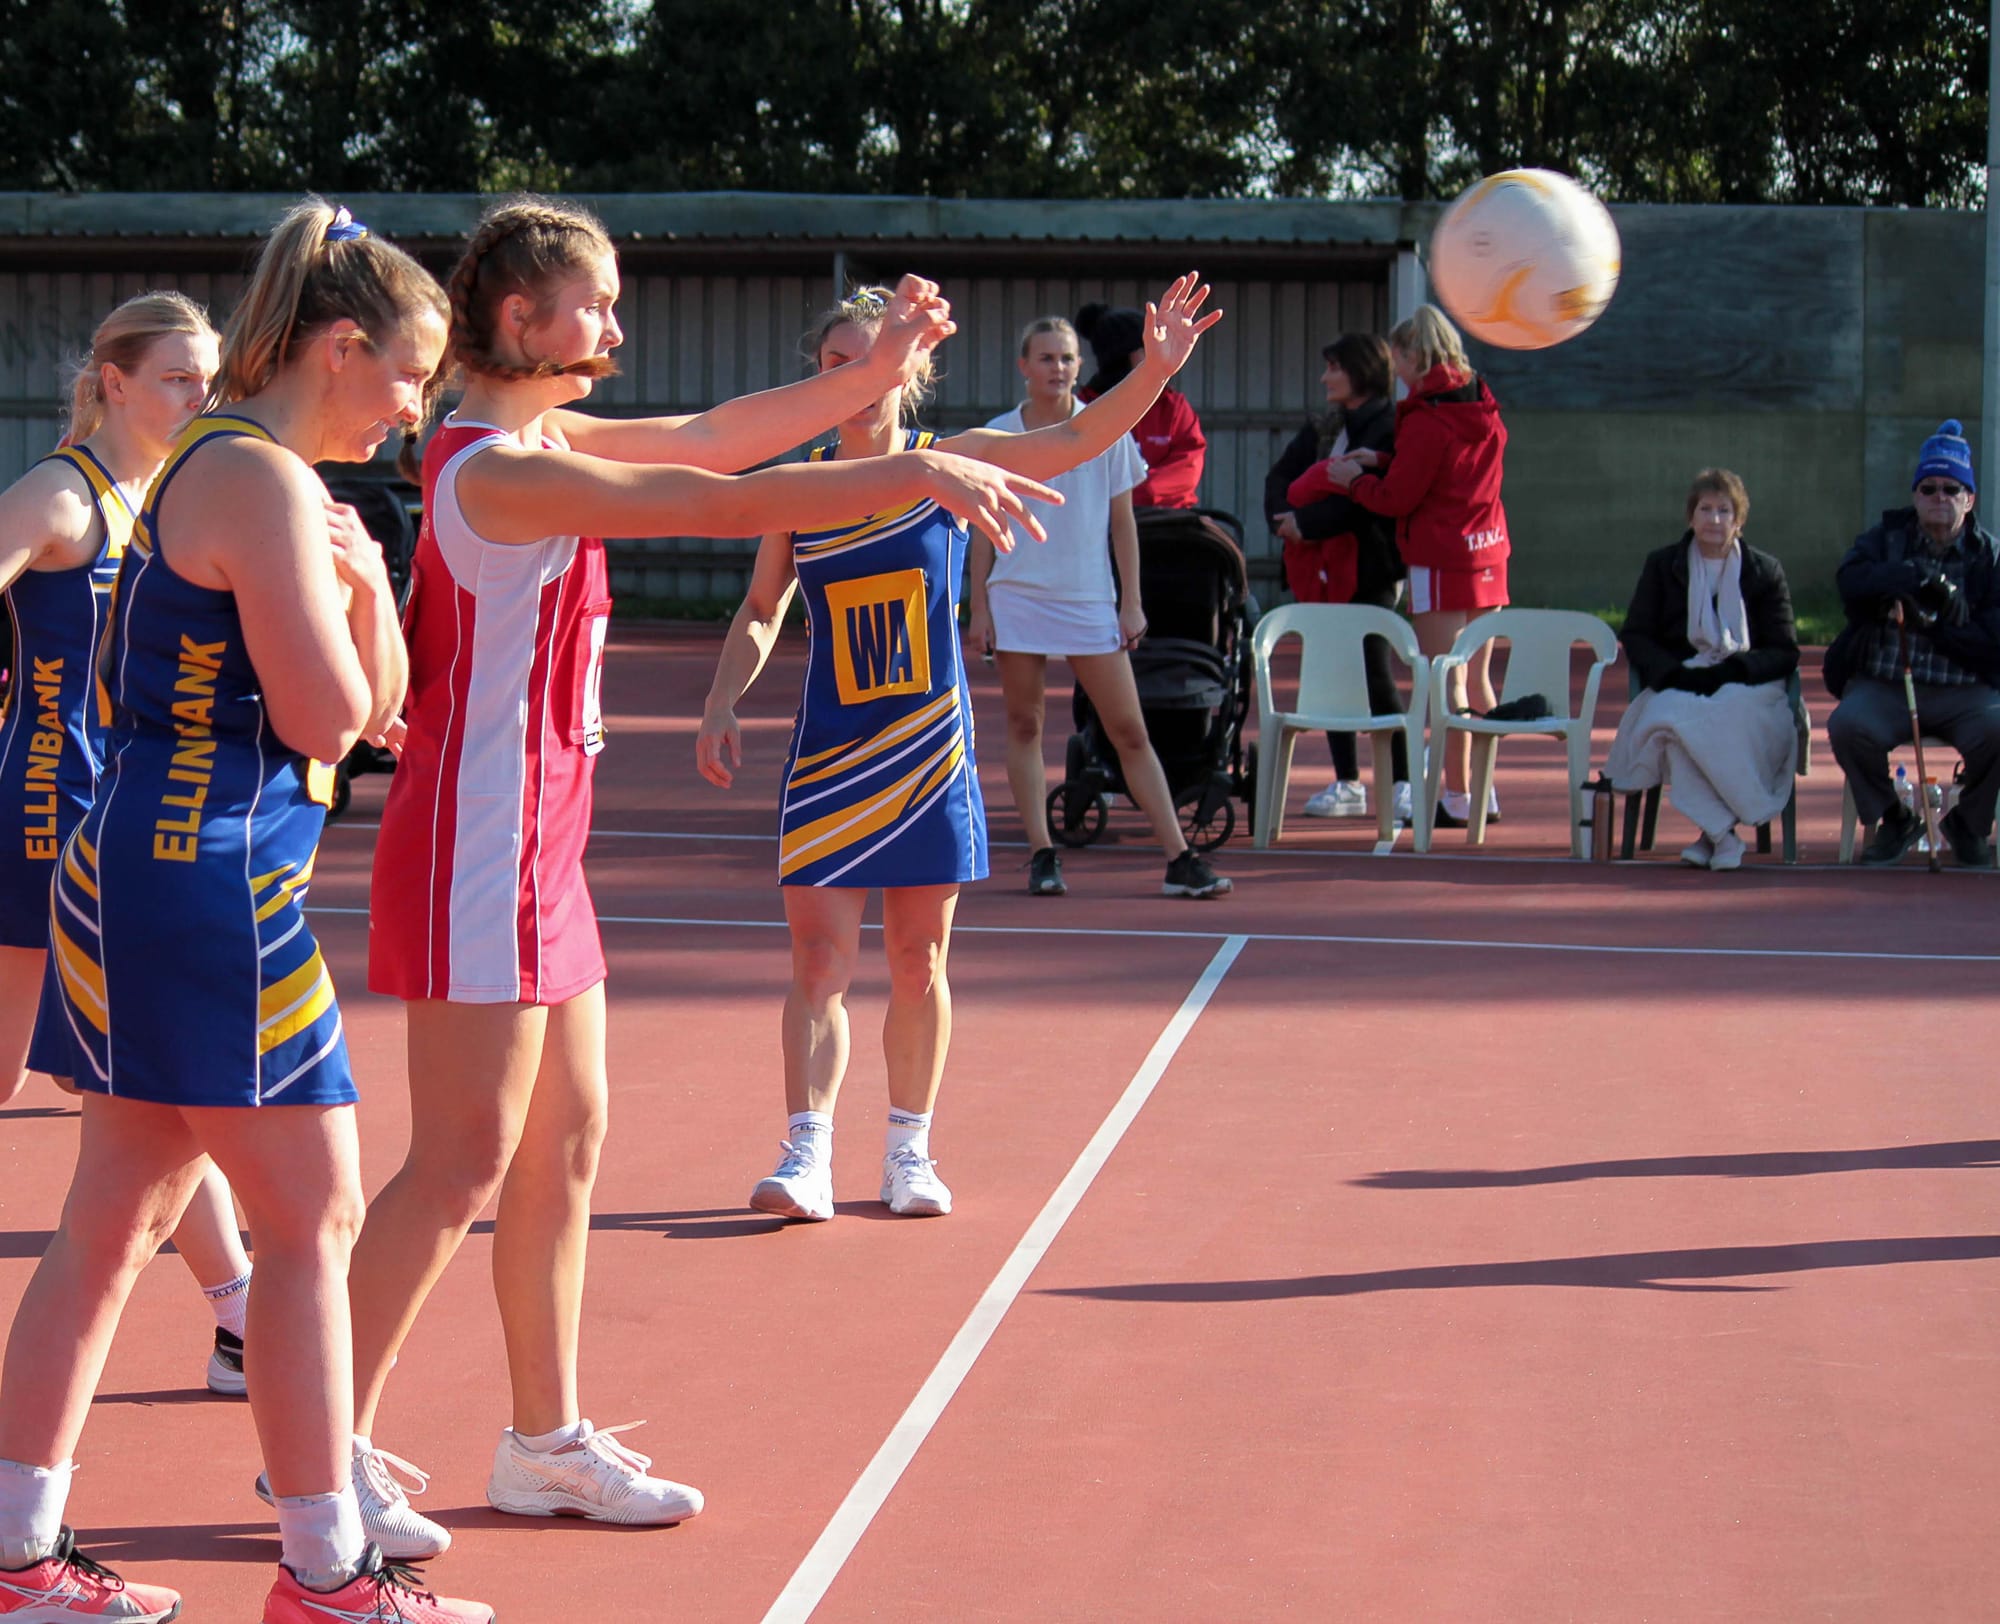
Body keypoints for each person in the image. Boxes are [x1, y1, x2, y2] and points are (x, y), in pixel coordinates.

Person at [351, 195, 1058, 1558]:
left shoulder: (542, 436)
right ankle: (327, 1453)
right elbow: (706, 498)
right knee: (456, 1167)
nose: (616, 325)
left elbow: (705, 437)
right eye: (597, 302)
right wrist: (907, 471)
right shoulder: (486, 469)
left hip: (542, 853)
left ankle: (541, 1442)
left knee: (565, 1145)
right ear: (521, 318)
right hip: (472, 850)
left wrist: (865, 382)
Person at [0, 200, 494, 1623]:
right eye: (409, 373)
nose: (414, 407)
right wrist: (353, 583)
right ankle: (328, 1569)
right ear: (342, 347)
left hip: (141, 874)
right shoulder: (261, 483)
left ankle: (22, 1547)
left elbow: (373, 714)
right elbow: (337, 715)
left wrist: (358, 595)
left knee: (116, 1213)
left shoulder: (240, 470)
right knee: (313, 1219)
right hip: (206, 879)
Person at [695, 274, 1223, 1230]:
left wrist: (1153, 370)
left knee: (918, 959)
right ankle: (804, 1151)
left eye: (871, 362)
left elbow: (1072, 442)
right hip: (829, 754)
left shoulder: (951, 465)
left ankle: (909, 1150)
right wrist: (723, 698)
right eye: (833, 364)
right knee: (817, 962)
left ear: (911, 374)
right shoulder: (799, 486)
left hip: (926, 754)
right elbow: (766, 604)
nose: (852, 378)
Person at [0, 293, 262, 1407]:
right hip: (45, 825)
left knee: (144, 1080)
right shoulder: (63, 494)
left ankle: (240, 1313)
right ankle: (242, 1311)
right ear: (113, 382)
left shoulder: (173, 497)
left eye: (206, 380)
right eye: (176, 379)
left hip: (128, 829)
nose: (199, 398)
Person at [967, 314, 1234, 898]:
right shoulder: (999, 436)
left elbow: (1123, 524)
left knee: (1129, 731)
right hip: (1017, 595)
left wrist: (1131, 601)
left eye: (1066, 358)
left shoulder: (1107, 430)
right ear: (1023, 367)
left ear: (1079, 366)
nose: (1057, 368)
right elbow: (982, 531)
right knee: (1024, 723)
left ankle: (1179, 857)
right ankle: (1042, 853)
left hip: (1089, 598)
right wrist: (978, 609)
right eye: (1045, 358)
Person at [1326, 303, 1508, 828]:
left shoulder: (1429, 418)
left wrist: (1353, 482)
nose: (1395, 371)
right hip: (1489, 549)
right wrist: (1379, 460)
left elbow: (1398, 498)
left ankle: (1455, 796)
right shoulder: (1481, 404)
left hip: (1442, 555)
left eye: (1398, 359)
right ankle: (1481, 791)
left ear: (1412, 355)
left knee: (1440, 680)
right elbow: (1440, 471)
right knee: (1477, 680)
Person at [1604, 469, 1799, 870]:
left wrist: (1733, 671)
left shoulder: (1765, 571)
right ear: (1690, 517)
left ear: (1739, 521)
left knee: (1724, 715)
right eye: (1705, 509)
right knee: (1672, 723)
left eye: (1723, 510)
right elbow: (1637, 634)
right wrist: (1675, 674)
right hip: (1681, 676)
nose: (1713, 519)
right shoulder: (1662, 566)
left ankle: (1712, 835)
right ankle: (1722, 835)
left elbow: (1783, 651)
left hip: (1748, 682)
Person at [1825, 419, 2000, 867]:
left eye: (1951, 489)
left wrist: (1933, 623)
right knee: (1848, 724)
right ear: (1914, 496)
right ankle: (1895, 817)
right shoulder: (1885, 540)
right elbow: (1850, 582)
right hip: (1887, 682)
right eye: (1928, 488)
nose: (1939, 497)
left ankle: (1969, 823)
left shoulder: (1990, 557)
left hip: (1966, 689)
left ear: (1970, 499)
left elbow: (1992, 643)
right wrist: (1913, 578)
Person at [1262, 332, 1410, 823]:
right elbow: (1279, 478)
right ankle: (1348, 782)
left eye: (1334, 367)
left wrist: (1306, 524)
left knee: (1373, 670)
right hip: (1318, 573)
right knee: (1327, 671)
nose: (1325, 377)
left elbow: (1363, 501)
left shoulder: (1390, 427)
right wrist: (1284, 519)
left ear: (1361, 371)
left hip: (1370, 569)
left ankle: (1403, 781)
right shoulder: (1327, 425)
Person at [1076, 302, 1205, 508]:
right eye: (1148, 348)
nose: (1159, 354)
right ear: (1123, 356)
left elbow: (1188, 466)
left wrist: (1135, 493)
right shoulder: (1083, 408)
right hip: (1102, 524)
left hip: (1167, 522)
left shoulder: (1173, 406)